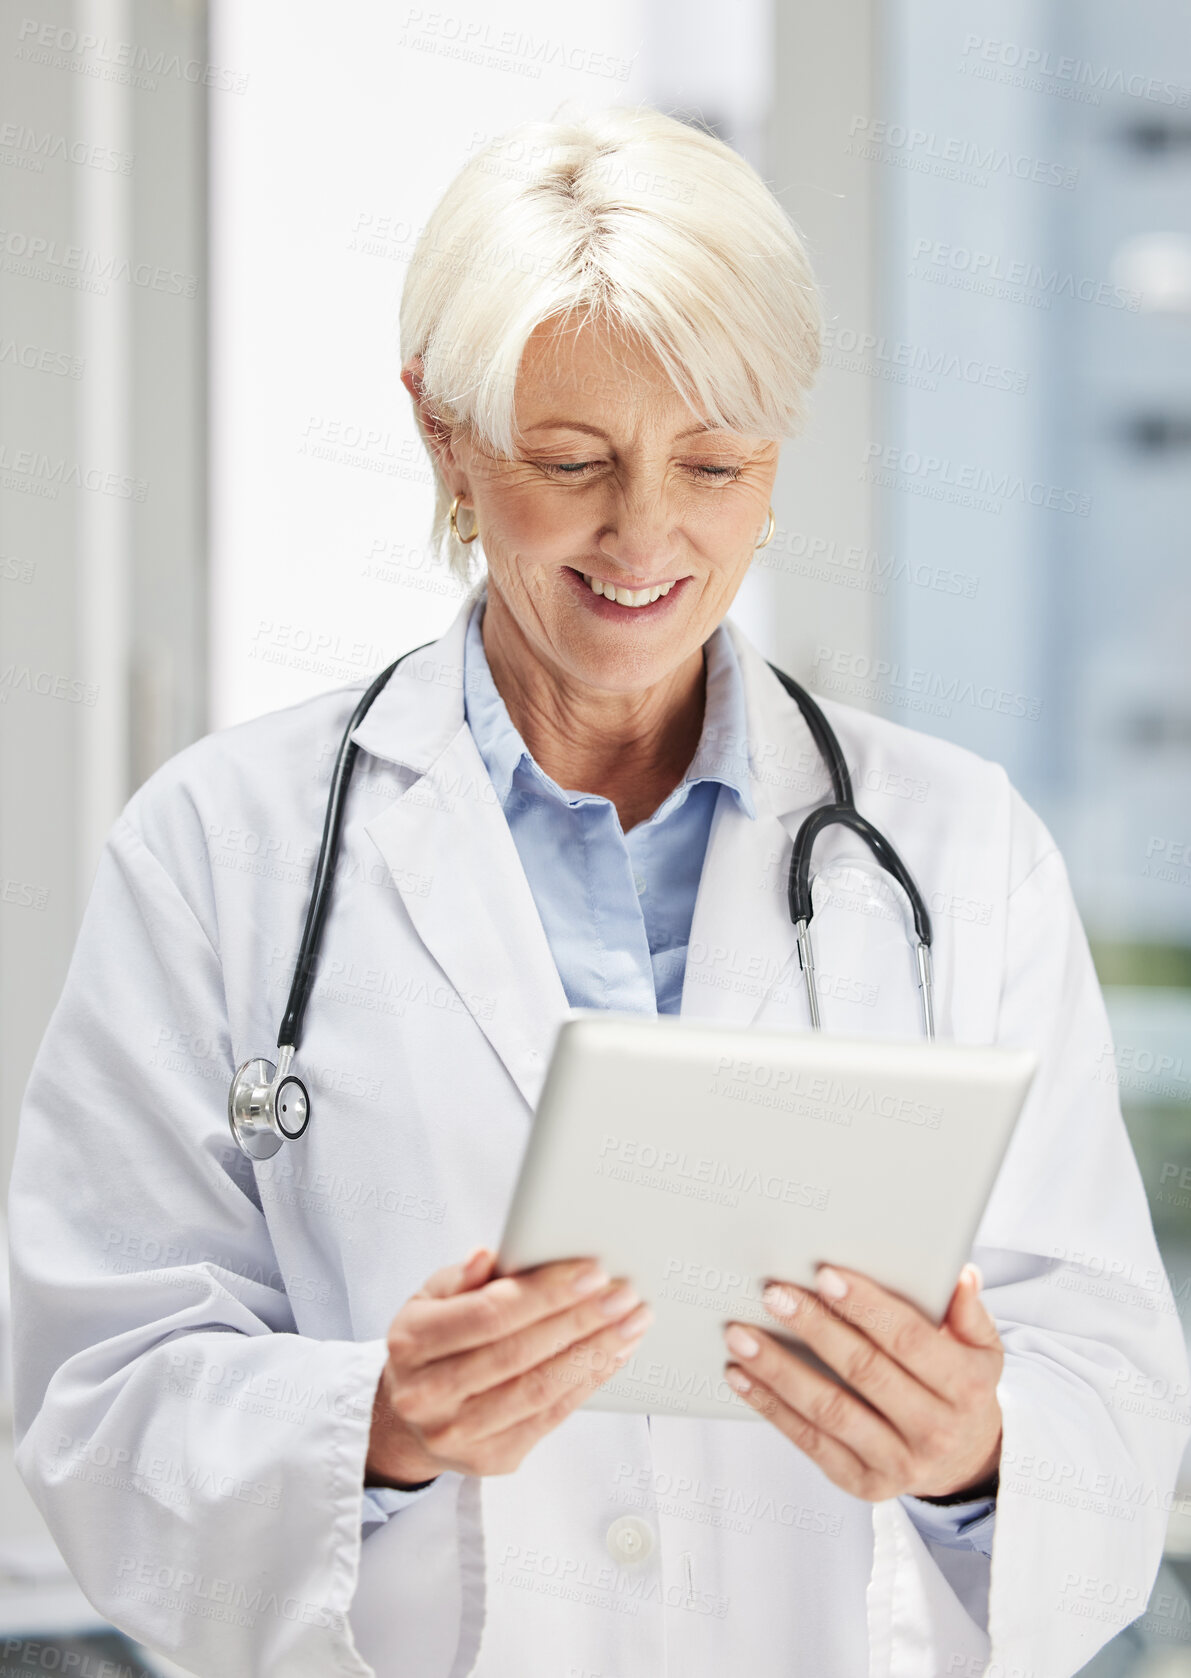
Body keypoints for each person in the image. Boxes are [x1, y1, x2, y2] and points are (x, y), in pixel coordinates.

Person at [9, 103, 1188, 1678]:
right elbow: (95, 1393)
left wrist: (978, 1454)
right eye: (573, 462)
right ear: (442, 434)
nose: (650, 533)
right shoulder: (222, 849)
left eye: (715, 460)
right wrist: (373, 1425)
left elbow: (1107, 1375)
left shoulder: (961, 853)